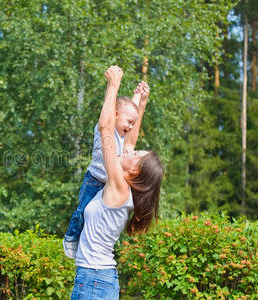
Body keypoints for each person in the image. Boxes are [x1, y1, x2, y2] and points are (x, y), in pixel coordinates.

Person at [70, 66, 163, 300]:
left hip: (94, 279)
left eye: (136, 154)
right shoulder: (125, 187)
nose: (131, 149)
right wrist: (140, 103)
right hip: (98, 279)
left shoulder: (119, 187)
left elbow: (106, 130)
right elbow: (128, 139)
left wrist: (113, 85)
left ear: (135, 172)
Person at [63, 80, 150, 260]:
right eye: (129, 122)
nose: (131, 127)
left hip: (106, 184)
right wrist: (113, 85)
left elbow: (128, 112)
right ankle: (71, 237)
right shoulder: (106, 130)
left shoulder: (122, 136)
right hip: (94, 180)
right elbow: (110, 114)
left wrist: (139, 96)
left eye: (133, 124)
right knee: (82, 210)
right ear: (115, 115)